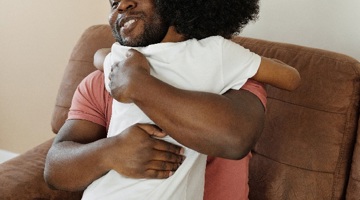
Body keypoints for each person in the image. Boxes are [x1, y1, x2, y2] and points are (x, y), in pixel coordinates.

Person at [43, 0, 297, 199]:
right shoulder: (104, 80)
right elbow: (55, 169)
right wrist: (110, 152)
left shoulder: (229, 73)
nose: (121, 5)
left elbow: (234, 140)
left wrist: (139, 85)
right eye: (113, 2)